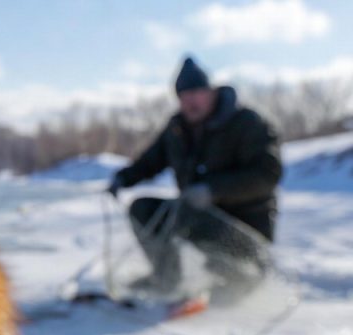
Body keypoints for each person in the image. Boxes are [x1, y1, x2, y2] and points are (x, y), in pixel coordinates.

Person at [107, 56, 283, 295]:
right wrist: (123, 179)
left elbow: (267, 175)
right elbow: (150, 161)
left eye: (196, 93)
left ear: (210, 92)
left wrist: (213, 190)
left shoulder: (247, 122)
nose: (191, 102)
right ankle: (166, 280)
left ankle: (243, 276)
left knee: (232, 289)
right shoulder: (177, 128)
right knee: (143, 209)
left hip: (245, 224)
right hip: (196, 217)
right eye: (184, 96)